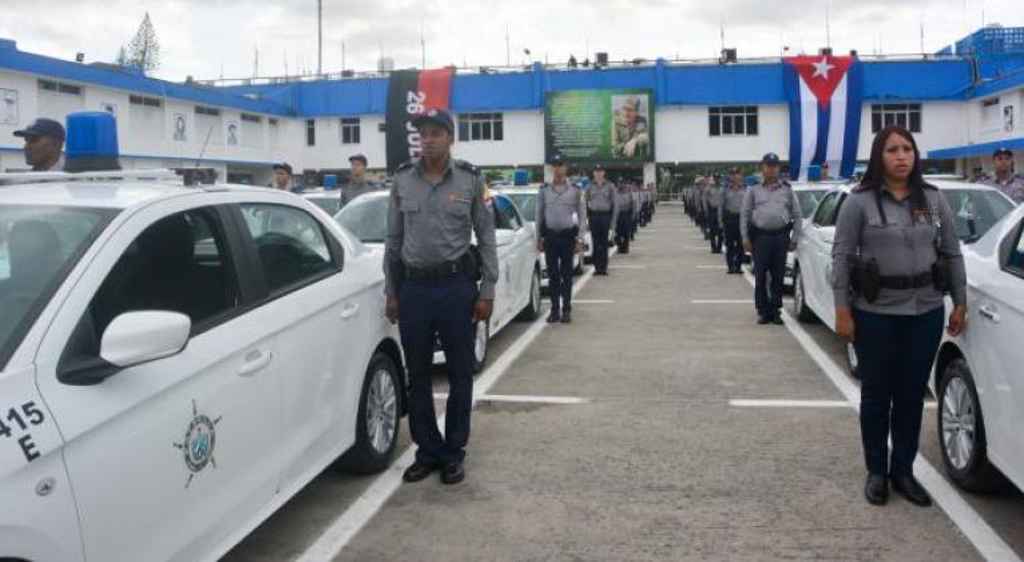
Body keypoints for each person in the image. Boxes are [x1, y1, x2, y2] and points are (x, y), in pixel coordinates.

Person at [831, 126, 967, 508]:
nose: (902, 156)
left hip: (925, 311)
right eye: (892, 150)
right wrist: (842, 309)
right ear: (879, 156)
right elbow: (841, 257)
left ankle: (903, 471)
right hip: (875, 314)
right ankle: (877, 471)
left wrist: (960, 301)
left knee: (911, 395)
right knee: (877, 395)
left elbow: (951, 252)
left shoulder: (932, 199)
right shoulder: (859, 203)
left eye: (907, 148)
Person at [384, 108, 498, 485]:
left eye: (436, 133)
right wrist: (392, 290)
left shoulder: (470, 179)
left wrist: (487, 290)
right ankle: (428, 450)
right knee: (417, 374)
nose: (428, 139)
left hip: (455, 288)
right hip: (414, 289)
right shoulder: (403, 180)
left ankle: (453, 452)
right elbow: (393, 240)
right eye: (424, 134)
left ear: (450, 138)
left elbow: (486, 237)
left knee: (460, 372)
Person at [741, 153, 802, 325]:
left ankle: (775, 310)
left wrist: (795, 238)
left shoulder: (787, 190)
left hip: (780, 238)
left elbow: (797, 215)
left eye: (774, 166)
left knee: (778, 276)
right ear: (762, 168)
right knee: (760, 275)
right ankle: (763, 311)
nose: (771, 169)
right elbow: (745, 215)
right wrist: (745, 238)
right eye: (768, 166)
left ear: (778, 168)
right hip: (760, 238)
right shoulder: (753, 190)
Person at [536, 154, 588, 323]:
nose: (558, 169)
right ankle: (554, 310)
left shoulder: (575, 190)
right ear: (552, 168)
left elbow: (582, 215)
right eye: (555, 165)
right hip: (550, 238)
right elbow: (539, 215)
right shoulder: (544, 190)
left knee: (567, 275)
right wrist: (538, 238)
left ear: (566, 168)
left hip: (567, 238)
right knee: (553, 276)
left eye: (561, 165)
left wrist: (580, 239)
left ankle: (566, 309)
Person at [586, 164, 618, 276]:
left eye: (600, 171)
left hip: (605, 216)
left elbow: (615, 204)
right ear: (593, 173)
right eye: (596, 171)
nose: (598, 173)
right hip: (594, 216)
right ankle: (596, 267)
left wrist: (613, 223)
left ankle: (603, 268)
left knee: (604, 243)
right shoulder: (589, 186)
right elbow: (585, 202)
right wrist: (587, 218)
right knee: (595, 242)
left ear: (603, 173)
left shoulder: (610, 186)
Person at [719, 167, 747, 273]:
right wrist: (720, 222)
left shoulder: (746, 189)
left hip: (741, 219)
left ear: (741, 176)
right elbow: (721, 207)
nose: (735, 176)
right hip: (729, 220)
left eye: (737, 174)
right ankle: (730, 267)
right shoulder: (725, 189)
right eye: (733, 174)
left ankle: (738, 266)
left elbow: (749, 206)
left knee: (741, 245)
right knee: (729, 245)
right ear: (730, 176)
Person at [614, 178, 635, 254]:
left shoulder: (629, 193)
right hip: (618, 215)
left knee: (626, 233)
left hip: (626, 214)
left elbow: (633, 204)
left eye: (622, 183)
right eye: (619, 183)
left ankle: (625, 248)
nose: (620, 185)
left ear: (624, 184)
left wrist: (632, 215)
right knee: (618, 233)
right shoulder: (615, 193)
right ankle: (619, 247)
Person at [704, 175, 723, 254]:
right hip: (712, 210)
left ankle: (719, 247)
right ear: (714, 179)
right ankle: (713, 247)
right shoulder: (709, 188)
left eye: (718, 178)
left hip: (721, 211)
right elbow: (705, 200)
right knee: (712, 230)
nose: (717, 179)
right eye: (716, 178)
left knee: (721, 230)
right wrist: (706, 210)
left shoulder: (723, 188)